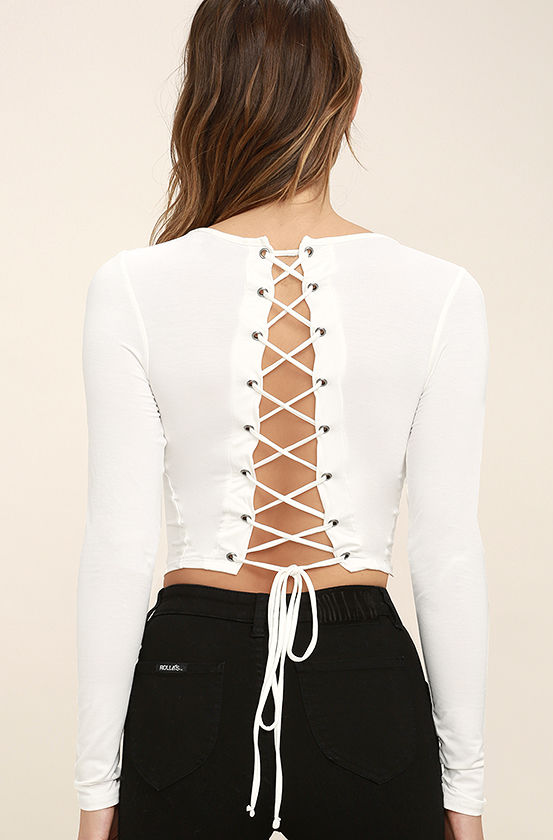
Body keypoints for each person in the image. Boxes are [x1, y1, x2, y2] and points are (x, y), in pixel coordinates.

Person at [74, 2, 489, 839]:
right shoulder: (442, 293)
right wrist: (467, 798)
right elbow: (445, 555)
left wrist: (93, 796)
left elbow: (120, 550)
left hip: (188, 678)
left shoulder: (132, 288)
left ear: (204, 96)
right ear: (350, 95)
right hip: (367, 682)